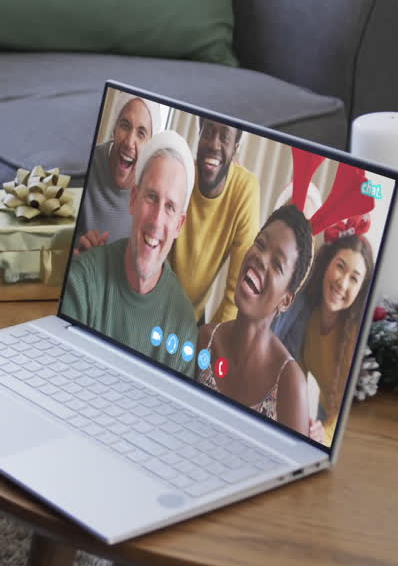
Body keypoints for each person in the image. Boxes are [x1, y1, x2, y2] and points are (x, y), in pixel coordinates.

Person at [61, 131, 198, 376]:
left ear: (179, 224)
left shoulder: (184, 324)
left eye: (170, 207)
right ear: (133, 199)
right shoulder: (82, 281)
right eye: (151, 197)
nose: (157, 220)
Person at [194, 205, 314, 437]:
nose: (260, 258)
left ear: (286, 301)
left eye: (277, 264)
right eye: (260, 244)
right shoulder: (205, 340)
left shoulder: (290, 383)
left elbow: (298, 471)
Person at [272, 234, 375, 444]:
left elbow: (351, 408)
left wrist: (325, 434)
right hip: (324, 411)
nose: (342, 283)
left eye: (354, 278)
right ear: (327, 263)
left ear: (361, 289)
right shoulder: (308, 314)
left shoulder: (356, 335)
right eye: (340, 267)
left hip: (349, 421)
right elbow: (297, 368)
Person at [169, 118, 261, 325]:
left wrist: (212, 342)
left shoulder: (245, 190)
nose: (214, 144)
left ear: (235, 148)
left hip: (193, 318)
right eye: (208, 133)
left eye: (225, 137)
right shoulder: (180, 174)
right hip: (154, 303)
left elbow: (237, 291)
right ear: (198, 135)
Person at [74, 95, 156, 253]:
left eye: (141, 133)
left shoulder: (150, 193)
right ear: (114, 128)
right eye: (125, 126)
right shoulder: (85, 162)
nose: (129, 142)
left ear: (149, 145)